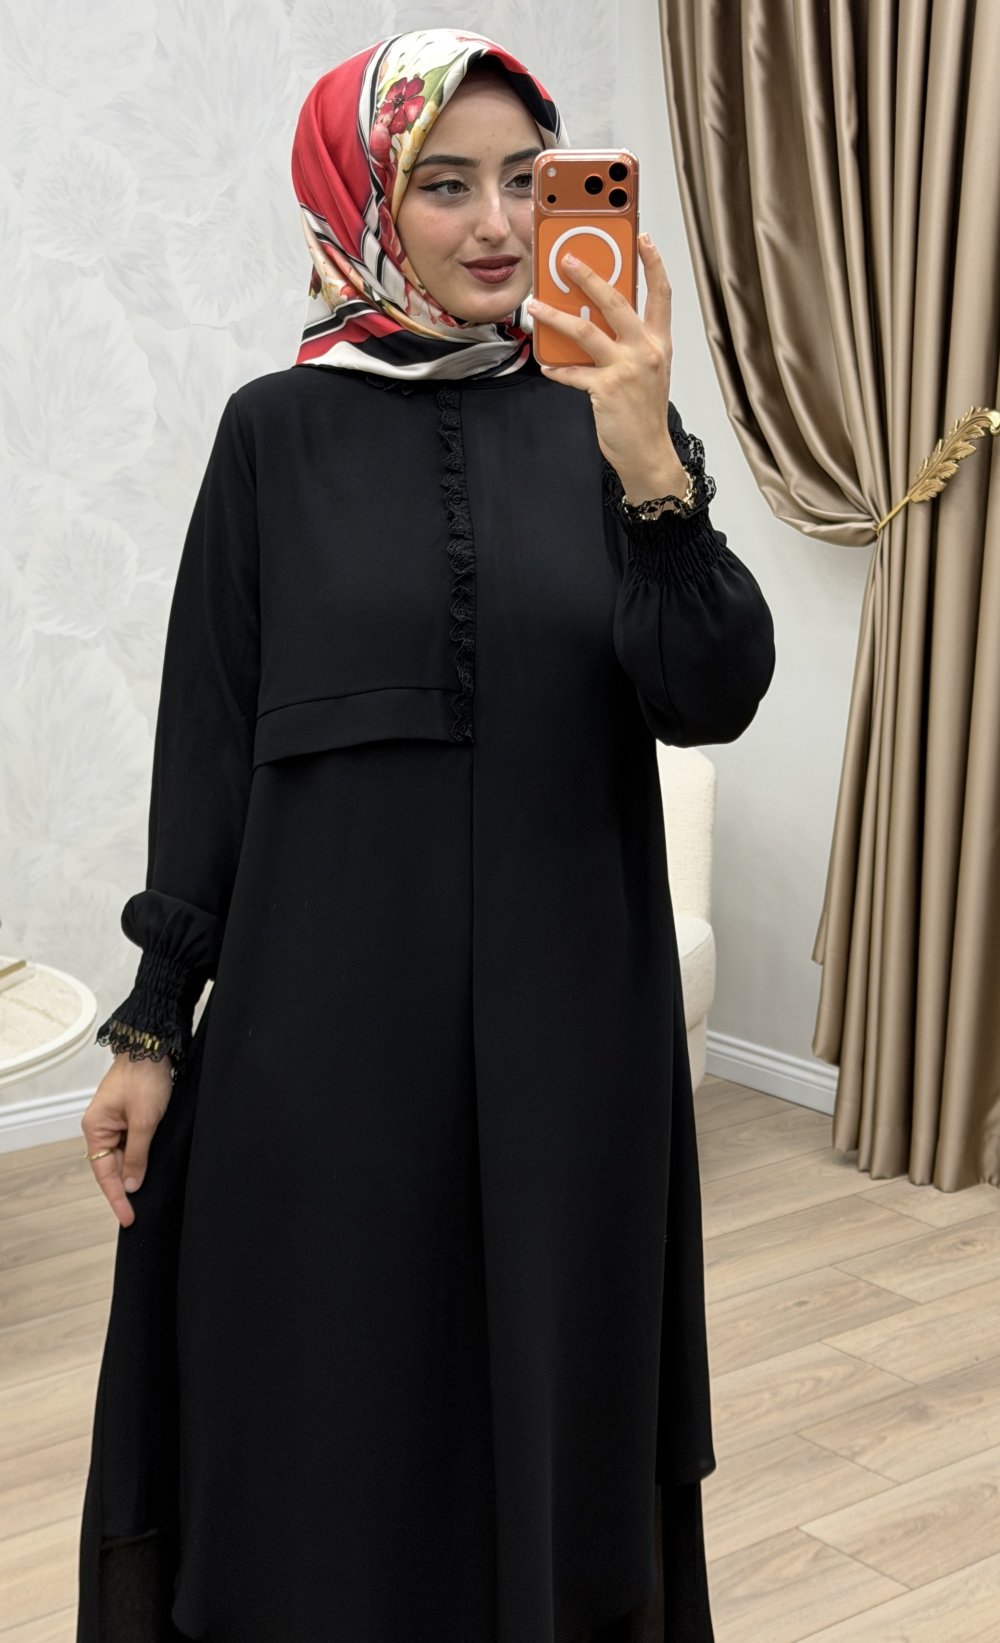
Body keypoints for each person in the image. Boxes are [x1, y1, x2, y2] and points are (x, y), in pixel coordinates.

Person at [76, 26, 775, 1643]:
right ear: (365, 200)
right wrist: (154, 1025)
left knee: (557, 1392)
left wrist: (651, 459)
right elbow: (210, 740)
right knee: (327, 1393)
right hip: (327, 1037)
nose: (501, 225)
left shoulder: (610, 417)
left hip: (574, 1035)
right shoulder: (272, 433)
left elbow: (713, 692)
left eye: (529, 180)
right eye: (446, 185)